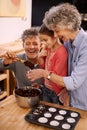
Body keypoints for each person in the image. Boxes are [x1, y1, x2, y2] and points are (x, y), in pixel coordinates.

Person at [26, 3, 87, 110]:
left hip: (83, 106)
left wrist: (43, 73)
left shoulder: (85, 45)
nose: (55, 35)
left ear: (68, 25)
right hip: (69, 102)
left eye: (57, 30)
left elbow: (74, 82)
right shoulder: (68, 43)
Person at [26, 23, 68, 105]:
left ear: (55, 36)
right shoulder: (48, 48)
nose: (43, 43)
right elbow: (43, 66)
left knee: (55, 113)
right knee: (45, 110)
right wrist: (40, 57)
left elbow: (55, 75)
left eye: (45, 40)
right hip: (46, 88)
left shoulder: (61, 52)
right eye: (41, 40)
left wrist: (41, 73)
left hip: (56, 92)